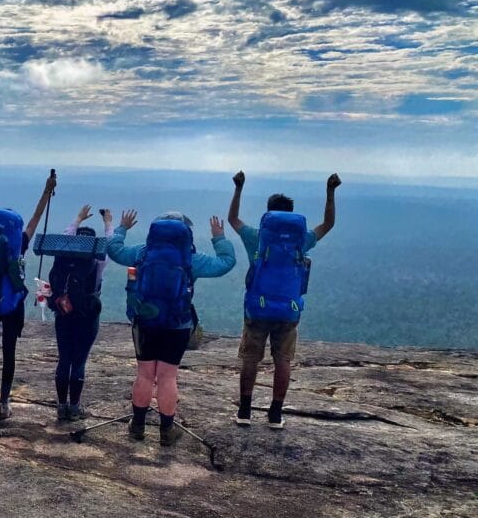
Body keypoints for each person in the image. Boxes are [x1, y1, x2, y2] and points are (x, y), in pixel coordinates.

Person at [107, 209, 236, 445]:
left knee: (145, 374)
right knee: (167, 377)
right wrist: (219, 237)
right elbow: (226, 263)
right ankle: (167, 430)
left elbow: (114, 250)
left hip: (145, 321)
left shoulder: (142, 254)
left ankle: (137, 426)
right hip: (178, 325)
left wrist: (122, 228)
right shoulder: (191, 259)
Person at [228, 171, 341, 429]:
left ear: (268, 214)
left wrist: (238, 187)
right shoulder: (301, 240)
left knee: (250, 358)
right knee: (283, 360)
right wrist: (330, 191)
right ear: (291, 214)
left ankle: (245, 411)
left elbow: (233, 219)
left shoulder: (256, 237)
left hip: (257, 308)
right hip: (288, 311)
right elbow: (328, 224)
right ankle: (275, 414)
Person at [0, 170, 56, 421]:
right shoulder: (19, 242)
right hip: (11, 304)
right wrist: (48, 190)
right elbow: (36, 218)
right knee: (9, 353)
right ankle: (4, 403)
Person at [53, 205, 113, 422]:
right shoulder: (97, 261)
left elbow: (66, 235)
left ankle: (61, 406)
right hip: (87, 316)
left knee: (64, 360)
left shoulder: (65, 256)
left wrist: (77, 219)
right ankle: (75, 408)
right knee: (79, 362)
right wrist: (108, 223)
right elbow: (110, 246)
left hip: (64, 313)